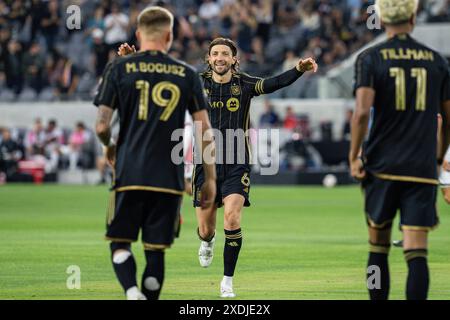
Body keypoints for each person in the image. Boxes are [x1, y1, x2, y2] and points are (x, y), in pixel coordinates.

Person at [118, 36, 317, 298]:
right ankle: (207, 242)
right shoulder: (195, 82)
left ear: (234, 59)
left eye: (225, 53)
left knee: (232, 218)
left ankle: (227, 281)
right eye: (215, 54)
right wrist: (133, 60)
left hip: (237, 164)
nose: (220, 58)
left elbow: (273, 83)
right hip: (205, 166)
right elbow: (159, 81)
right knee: (206, 229)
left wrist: (298, 70)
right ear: (209, 59)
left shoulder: (244, 84)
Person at [94, 6, 216, 300]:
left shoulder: (118, 68)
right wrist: (209, 178)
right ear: (170, 35)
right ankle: (145, 296)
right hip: (169, 179)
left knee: (120, 243)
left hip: (129, 172)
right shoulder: (186, 74)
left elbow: (101, 126)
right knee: (155, 251)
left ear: (138, 34)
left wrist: (110, 146)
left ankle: (131, 291)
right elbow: (204, 130)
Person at [349, 0, 450, 300]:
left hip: (381, 166)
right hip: (420, 167)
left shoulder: (370, 58)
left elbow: (362, 113)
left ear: (380, 17)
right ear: (413, 15)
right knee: (416, 251)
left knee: (377, 247)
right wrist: (437, 155)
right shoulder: (437, 60)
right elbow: (449, 119)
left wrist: (355, 155)